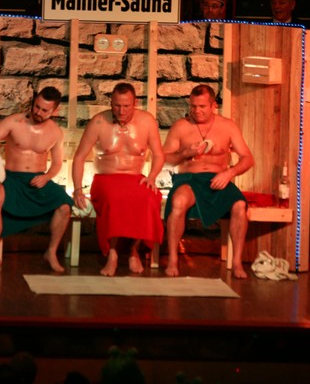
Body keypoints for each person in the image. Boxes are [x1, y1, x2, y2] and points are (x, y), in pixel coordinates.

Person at [71, 82, 165, 276]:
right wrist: (78, 189)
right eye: (117, 105)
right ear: (111, 103)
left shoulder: (147, 121)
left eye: (126, 106)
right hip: (105, 179)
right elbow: (79, 157)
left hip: (136, 178)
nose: (121, 111)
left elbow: (158, 154)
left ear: (135, 103)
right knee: (114, 199)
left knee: (149, 198)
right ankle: (112, 254)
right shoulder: (98, 122)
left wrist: (152, 177)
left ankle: (133, 251)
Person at [162, 84, 254, 278]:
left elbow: (248, 158)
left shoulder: (228, 126)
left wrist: (229, 173)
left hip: (218, 178)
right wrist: (186, 153)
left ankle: (237, 262)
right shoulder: (181, 126)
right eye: (193, 106)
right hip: (189, 179)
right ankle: (172, 259)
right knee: (178, 201)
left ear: (213, 106)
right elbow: (165, 159)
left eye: (202, 106)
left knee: (239, 205)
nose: (197, 111)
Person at [0, 87, 72, 273]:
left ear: (55, 111)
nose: (38, 112)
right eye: (36, 106)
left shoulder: (55, 132)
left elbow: (56, 164)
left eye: (44, 110)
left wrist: (46, 177)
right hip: (11, 178)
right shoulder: (14, 122)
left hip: (38, 180)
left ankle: (51, 252)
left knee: (65, 206)